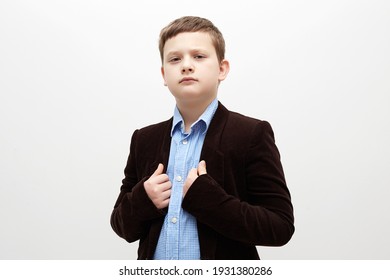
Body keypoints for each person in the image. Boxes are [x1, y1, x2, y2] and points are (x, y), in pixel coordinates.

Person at [110, 16, 294, 260]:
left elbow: (280, 227)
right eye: (175, 59)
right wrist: (144, 199)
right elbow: (120, 225)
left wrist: (210, 201)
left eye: (198, 56)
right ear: (164, 74)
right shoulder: (144, 139)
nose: (186, 65)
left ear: (222, 69)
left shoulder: (250, 134)